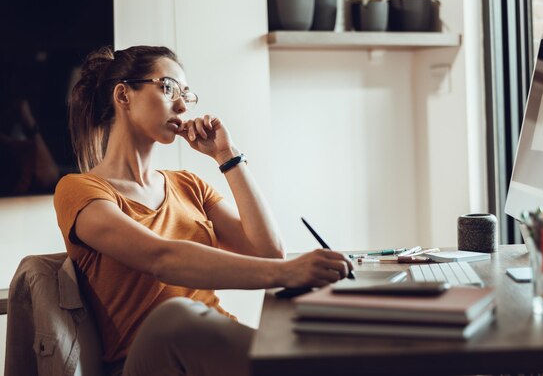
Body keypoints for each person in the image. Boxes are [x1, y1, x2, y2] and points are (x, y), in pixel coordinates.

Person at [53, 45, 353, 376]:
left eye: (186, 95)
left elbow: (268, 252)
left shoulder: (188, 185)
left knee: (317, 338)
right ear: (123, 95)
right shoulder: (79, 190)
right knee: (174, 319)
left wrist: (228, 156)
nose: (182, 105)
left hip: (211, 358)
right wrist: (288, 273)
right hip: (147, 360)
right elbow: (161, 259)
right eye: (168, 88)